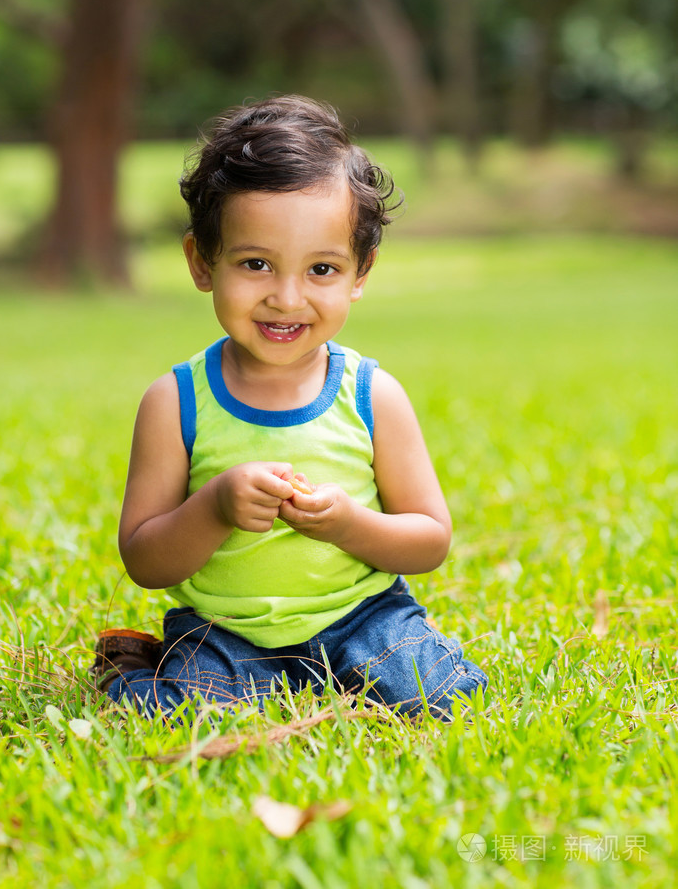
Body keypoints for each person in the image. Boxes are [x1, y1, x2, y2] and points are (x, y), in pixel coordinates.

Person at [93, 95, 488, 721]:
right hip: (226, 631)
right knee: (183, 717)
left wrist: (347, 525)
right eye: (255, 264)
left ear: (361, 273)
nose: (287, 297)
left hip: (360, 616)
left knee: (446, 700)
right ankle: (132, 666)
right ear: (202, 263)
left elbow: (429, 540)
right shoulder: (176, 401)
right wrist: (216, 504)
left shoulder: (372, 394)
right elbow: (145, 560)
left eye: (322, 269)